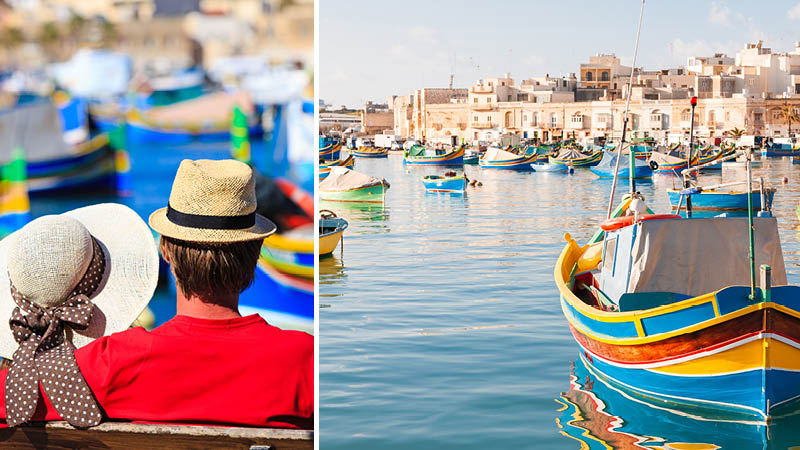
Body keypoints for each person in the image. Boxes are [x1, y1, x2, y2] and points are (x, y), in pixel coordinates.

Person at [0, 159, 313, 429]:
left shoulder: (113, 363)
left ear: (165, 250)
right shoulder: (305, 360)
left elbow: (12, 399)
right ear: (257, 251)